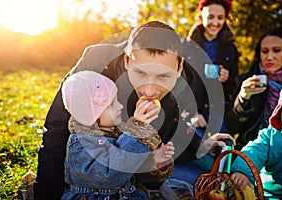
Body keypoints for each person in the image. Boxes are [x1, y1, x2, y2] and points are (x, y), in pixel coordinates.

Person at [34, 20, 233, 199]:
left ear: (179, 68)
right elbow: (57, 126)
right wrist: (46, 194)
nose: (149, 90)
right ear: (127, 60)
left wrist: (201, 144)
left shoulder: (182, 84)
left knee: (201, 178)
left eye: (164, 76)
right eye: (140, 73)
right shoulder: (94, 65)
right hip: (91, 173)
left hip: (130, 173)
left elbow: (173, 124)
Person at [60, 71, 174, 199]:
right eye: (112, 104)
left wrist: (153, 160)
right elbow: (112, 175)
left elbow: (128, 164)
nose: (120, 106)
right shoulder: (82, 143)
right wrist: (136, 130)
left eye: (118, 100)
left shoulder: (114, 132)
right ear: (92, 114)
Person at [169, 0, 238, 185]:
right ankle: (199, 186)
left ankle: (219, 187)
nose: (215, 22)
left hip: (218, 110)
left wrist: (227, 78)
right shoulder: (186, 46)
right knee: (195, 152)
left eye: (220, 18)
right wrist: (191, 112)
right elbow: (180, 82)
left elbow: (233, 88)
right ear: (201, 17)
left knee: (222, 152)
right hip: (193, 110)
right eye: (210, 17)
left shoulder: (231, 48)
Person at [226, 27, 282, 150]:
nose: (270, 57)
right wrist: (243, 98)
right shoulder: (246, 81)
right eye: (265, 51)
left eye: (277, 50)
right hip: (252, 152)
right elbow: (231, 127)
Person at [231, 80, 282, 199]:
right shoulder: (269, 136)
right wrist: (243, 171)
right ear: (279, 115)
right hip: (267, 195)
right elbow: (254, 151)